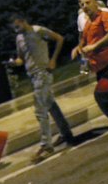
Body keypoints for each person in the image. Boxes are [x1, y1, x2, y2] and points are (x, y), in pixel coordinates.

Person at [10, 14, 75, 161]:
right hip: (33, 76)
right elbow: (21, 57)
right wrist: (16, 62)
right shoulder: (19, 38)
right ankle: (66, 133)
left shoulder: (38, 30)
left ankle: (47, 145)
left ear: (23, 21)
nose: (16, 30)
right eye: (14, 28)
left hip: (43, 73)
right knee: (50, 104)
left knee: (40, 110)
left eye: (17, 26)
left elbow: (59, 38)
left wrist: (53, 60)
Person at [70, 0, 108, 75]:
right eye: (82, 5)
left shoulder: (104, 15)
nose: (85, 6)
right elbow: (84, 41)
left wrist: (94, 46)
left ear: (95, 3)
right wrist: (77, 48)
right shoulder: (87, 23)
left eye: (88, 3)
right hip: (98, 67)